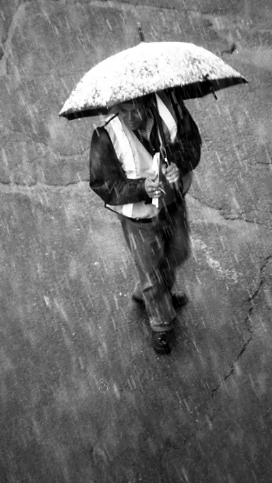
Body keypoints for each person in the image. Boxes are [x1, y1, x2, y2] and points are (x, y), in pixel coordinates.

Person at [89, 90, 201, 354]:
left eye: (134, 109)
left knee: (179, 252)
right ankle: (161, 321)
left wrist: (178, 163)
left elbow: (191, 143)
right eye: (122, 110)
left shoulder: (170, 109)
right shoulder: (105, 133)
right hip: (139, 219)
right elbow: (103, 183)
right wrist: (142, 189)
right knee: (152, 272)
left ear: (147, 102)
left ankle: (150, 291)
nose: (128, 117)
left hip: (173, 205)